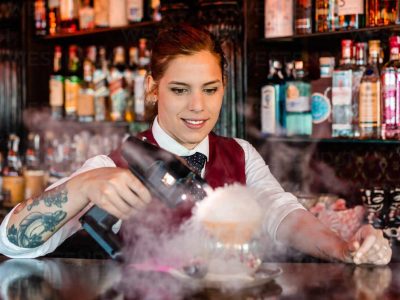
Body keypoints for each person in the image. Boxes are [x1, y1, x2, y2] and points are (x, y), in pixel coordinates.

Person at [0, 24, 392, 265]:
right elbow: (13, 243)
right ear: (153, 89)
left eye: (210, 89)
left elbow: (283, 215)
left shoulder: (240, 153)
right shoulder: (116, 163)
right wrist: (82, 185)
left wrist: (344, 249)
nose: (198, 107)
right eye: (180, 89)